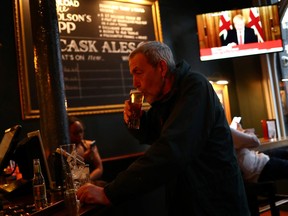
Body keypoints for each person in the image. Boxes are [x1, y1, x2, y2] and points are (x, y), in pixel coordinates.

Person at [76, 41, 250, 215]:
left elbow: (172, 149)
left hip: (216, 201)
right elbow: (149, 135)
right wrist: (134, 120)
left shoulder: (195, 86)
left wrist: (110, 193)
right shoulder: (164, 101)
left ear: (161, 68)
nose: (135, 82)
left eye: (138, 72)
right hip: (189, 200)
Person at [68, 116, 103, 182]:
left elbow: (99, 168)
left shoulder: (89, 145)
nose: (80, 135)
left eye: (81, 131)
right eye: (76, 133)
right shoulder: (67, 149)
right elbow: (72, 172)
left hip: (91, 181)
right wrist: (83, 159)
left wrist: (88, 180)